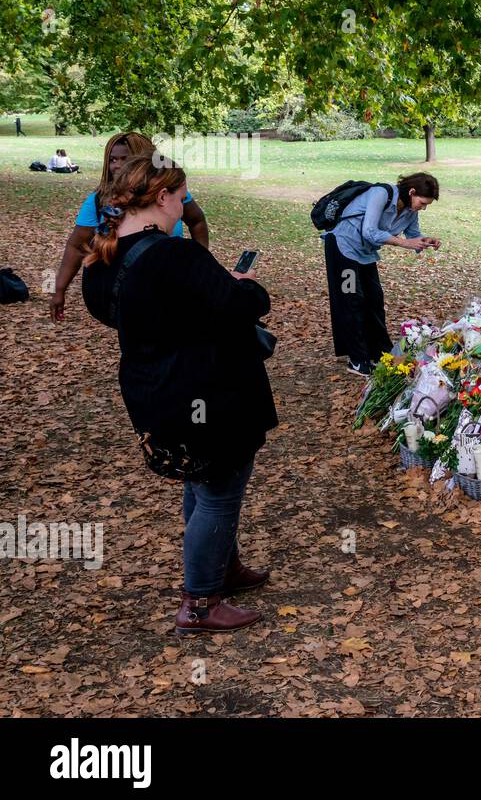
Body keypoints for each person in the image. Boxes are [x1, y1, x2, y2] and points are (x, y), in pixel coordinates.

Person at [81, 153, 278, 634]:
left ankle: (220, 569)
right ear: (164, 197)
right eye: (181, 195)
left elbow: (124, 313)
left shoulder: (104, 259)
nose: (184, 205)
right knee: (220, 487)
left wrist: (201, 301)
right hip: (204, 388)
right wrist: (242, 286)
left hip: (152, 387)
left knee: (200, 476)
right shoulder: (177, 254)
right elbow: (245, 305)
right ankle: (200, 602)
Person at [48, 132, 209, 321]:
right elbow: (76, 247)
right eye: (112, 159)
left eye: (125, 159)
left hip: (169, 283)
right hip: (131, 294)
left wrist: (202, 260)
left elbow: (197, 221)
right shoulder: (98, 202)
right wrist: (59, 289)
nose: (116, 165)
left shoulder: (174, 195)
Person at [322, 173, 442, 375]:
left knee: (374, 300)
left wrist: (425, 240)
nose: (423, 207)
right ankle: (358, 359)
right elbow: (369, 231)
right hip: (343, 249)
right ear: (412, 192)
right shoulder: (381, 194)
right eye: (422, 202)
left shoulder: (410, 210)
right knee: (351, 301)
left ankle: (381, 353)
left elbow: (413, 235)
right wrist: (404, 243)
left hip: (366, 255)